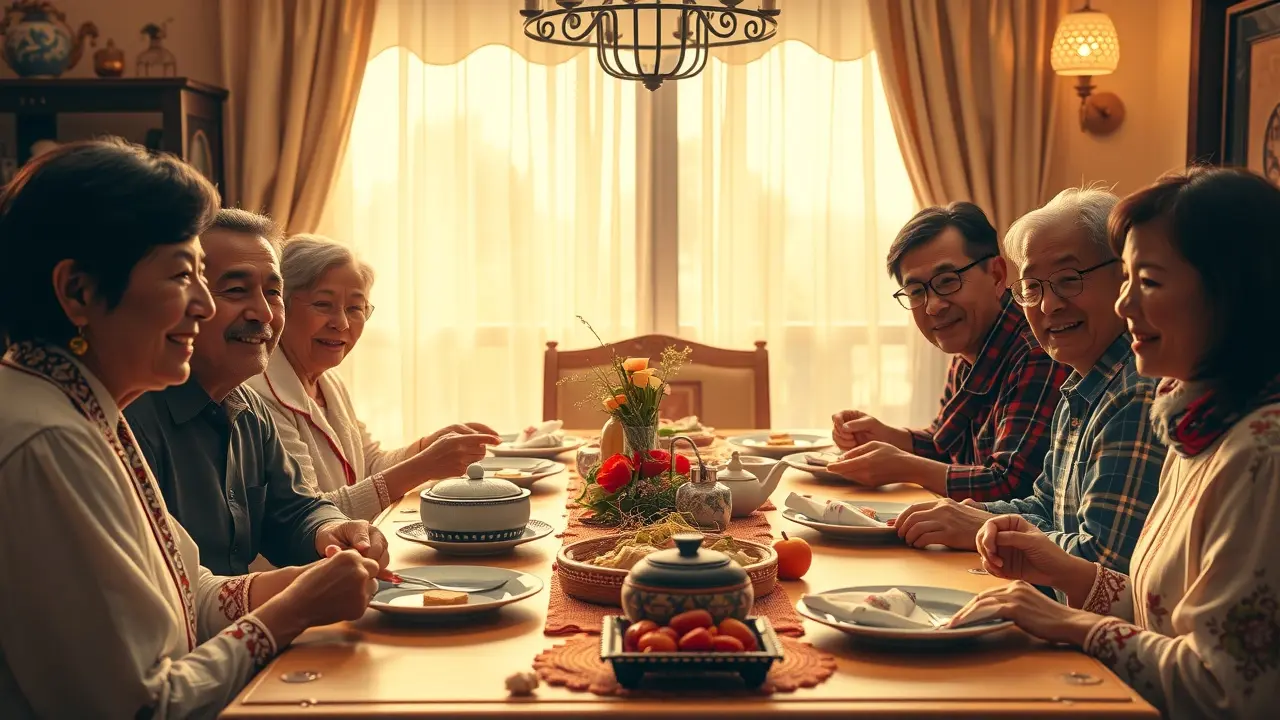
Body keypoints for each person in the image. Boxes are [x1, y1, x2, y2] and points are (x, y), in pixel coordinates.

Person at [0, 138, 379, 717]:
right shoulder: (49, 441)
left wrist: (304, 583)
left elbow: (192, 594)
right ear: (77, 291)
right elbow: (144, 706)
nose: (202, 307)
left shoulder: (83, 407)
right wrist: (293, 611)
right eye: (183, 276)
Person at [949, 167, 1280, 718]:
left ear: (1234, 291)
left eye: (1146, 281)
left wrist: (1071, 622)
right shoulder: (1198, 427)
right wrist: (1059, 570)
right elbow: (1158, 612)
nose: (1125, 306)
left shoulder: (1262, 455)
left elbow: (1225, 692)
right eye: (1125, 280)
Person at [894, 188, 1164, 580]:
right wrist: (971, 515)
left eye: (1068, 280)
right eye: (1033, 288)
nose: (1048, 305)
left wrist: (976, 529)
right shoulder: (1080, 384)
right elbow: (1043, 504)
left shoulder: (1134, 393)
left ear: (1124, 276)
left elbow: (1101, 563)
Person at [124, 210, 388, 576]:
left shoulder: (249, 410)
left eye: (273, 292)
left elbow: (293, 510)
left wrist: (331, 530)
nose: (264, 313)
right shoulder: (131, 421)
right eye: (236, 290)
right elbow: (163, 585)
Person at [245, 234, 498, 520]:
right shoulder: (258, 394)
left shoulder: (329, 382)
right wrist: (424, 466)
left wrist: (427, 446)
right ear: (281, 307)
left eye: (355, 308)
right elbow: (309, 517)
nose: (341, 323)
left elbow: (369, 466)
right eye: (323, 304)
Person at [829, 202, 1069, 501]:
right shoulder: (969, 349)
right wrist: (887, 436)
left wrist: (905, 467)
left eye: (947, 281)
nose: (933, 306)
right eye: (916, 291)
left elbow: (1010, 485)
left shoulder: (1036, 352)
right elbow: (945, 444)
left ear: (996, 275)